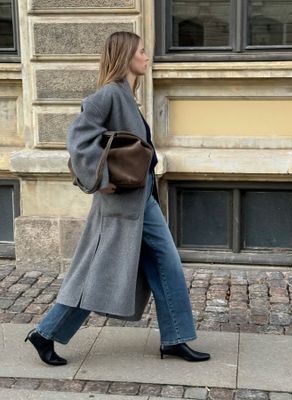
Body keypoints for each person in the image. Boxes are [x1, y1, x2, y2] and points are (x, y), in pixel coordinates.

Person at [24, 31, 210, 366]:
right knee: (106, 271)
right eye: (141, 51)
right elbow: (79, 141)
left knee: (158, 264)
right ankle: (45, 333)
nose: (147, 56)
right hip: (122, 202)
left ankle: (175, 338)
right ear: (126, 56)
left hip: (140, 199)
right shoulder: (108, 95)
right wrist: (102, 180)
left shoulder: (126, 95)